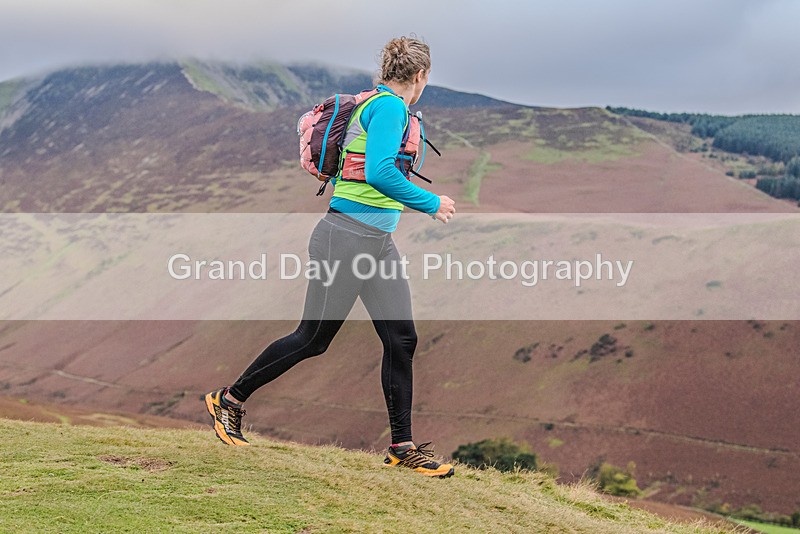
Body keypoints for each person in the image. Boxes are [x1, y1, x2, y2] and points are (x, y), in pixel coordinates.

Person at [204, 36, 457, 478]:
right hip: (345, 238)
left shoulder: (376, 103)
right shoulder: (390, 108)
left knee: (401, 340)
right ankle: (229, 400)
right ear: (421, 75)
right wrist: (430, 203)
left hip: (375, 242)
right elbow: (378, 171)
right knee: (312, 339)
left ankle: (402, 446)